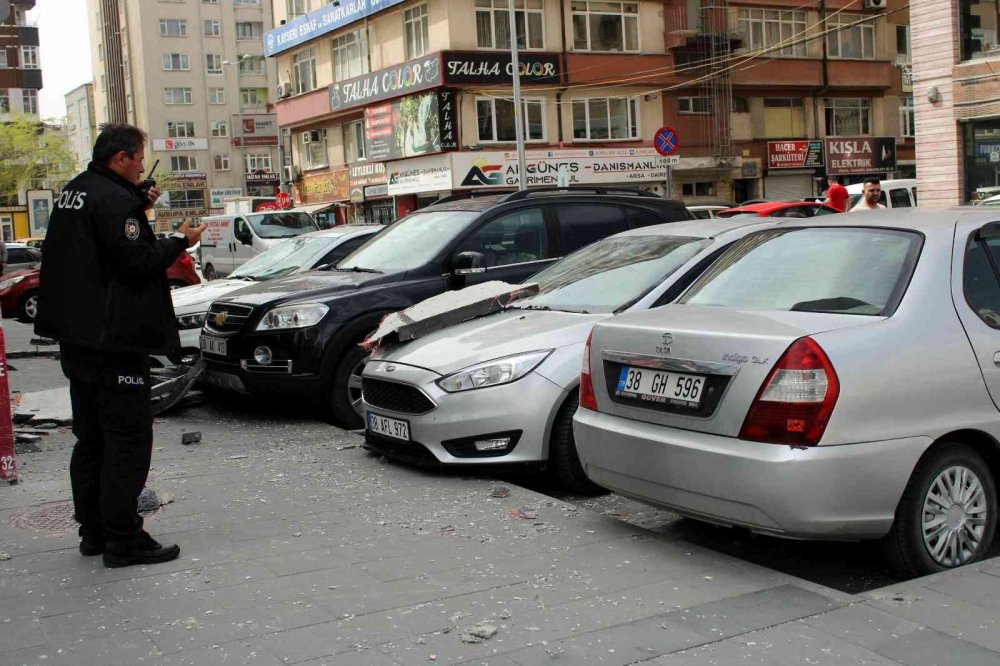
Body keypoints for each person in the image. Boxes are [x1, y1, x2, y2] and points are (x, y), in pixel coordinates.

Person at [34, 123, 206, 569]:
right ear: (121, 158)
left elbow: (100, 248)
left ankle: (93, 532)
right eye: (137, 158)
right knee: (126, 440)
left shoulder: (78, 190)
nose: (139, 167)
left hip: (80, 340)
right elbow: (136, 261)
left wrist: (137, 206)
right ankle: (124, 538)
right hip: (114, 342)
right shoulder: (113, 200)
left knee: (90, 440)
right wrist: (179, 241)